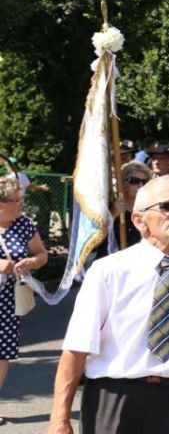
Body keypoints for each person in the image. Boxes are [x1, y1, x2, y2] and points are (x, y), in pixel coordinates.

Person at [46, 176, 169, 434]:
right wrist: (59, 420)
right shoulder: (108, 272)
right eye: (167, 206)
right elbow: (76, 349)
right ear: (139, 220)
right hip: (114, 399)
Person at [0, 177, 48, 426]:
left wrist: (32, 261)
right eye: (17, 200)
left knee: (1, 354)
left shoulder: (24, 224)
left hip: (8, 301)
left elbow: (42, 254)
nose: (22, 204)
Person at [95, 160, 151, 258]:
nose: (140, 185)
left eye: (144, 182)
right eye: (134, 181)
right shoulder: (107, 208)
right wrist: (112, 215)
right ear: (121, 183)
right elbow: (94, 242)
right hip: (111, 261)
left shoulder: (150, 211)